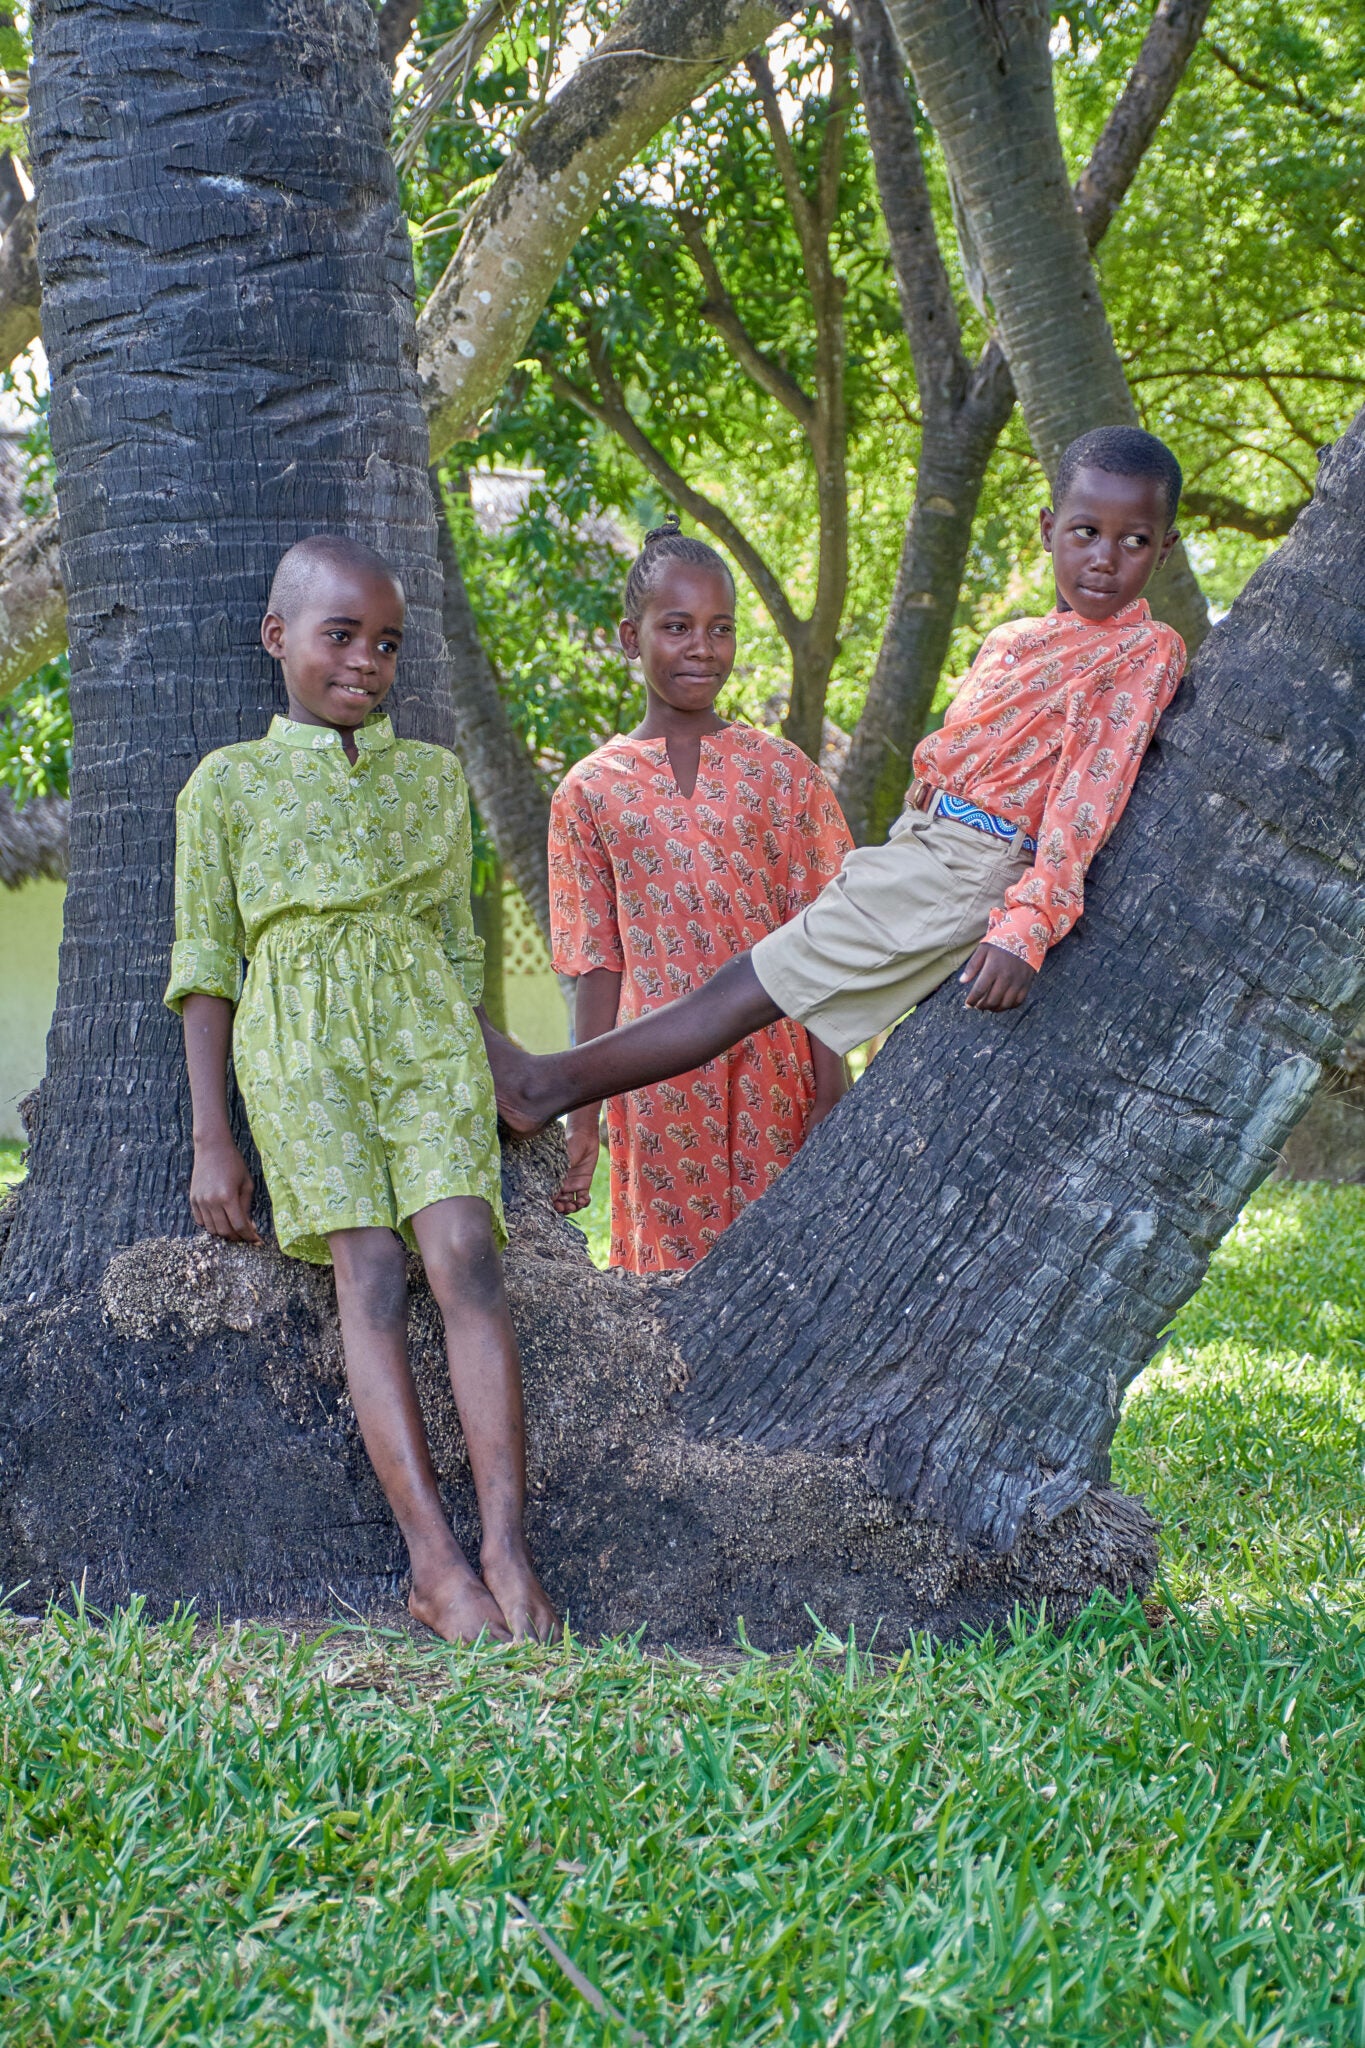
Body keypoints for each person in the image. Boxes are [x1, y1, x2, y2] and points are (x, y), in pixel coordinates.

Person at [486, 425, 1188, 1133]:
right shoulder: (1015, 640)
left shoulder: (1142, 649)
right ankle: (549, 1085)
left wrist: (1027, 925)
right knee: (754, 983)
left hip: (974, 865)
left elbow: (1086, 796)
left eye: (1133, 541)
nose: (1104, 558)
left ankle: (542, 1087)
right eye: (1085, 532)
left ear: (1164, 550)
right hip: (924, 841)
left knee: (747, 987)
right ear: (1046, 529)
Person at [164, 534, 559, 1647]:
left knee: (466, 1253)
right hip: (299, 1044)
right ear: (277, 636)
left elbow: (456, 947)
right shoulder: (225, 785)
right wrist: (211, 1138)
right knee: (372, 1270)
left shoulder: (434, 778)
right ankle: (434, 1563)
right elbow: (205, 964)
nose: (365, 662)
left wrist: (500, 1066)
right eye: (340, 635)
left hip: (425, 1031)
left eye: (386, 644)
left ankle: (506, 1546)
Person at [548, 515, 853, 1271]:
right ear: (631, 637)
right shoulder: (589, 790)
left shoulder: (783, 772)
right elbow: (596, 965)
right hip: (655, 1080)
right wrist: (582, 1120)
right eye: (677, 627)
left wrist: (830, 1082)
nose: (701, 648)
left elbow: (825, 937)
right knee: (672, 1289)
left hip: (775, 1068)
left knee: (784, 1277)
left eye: (720, 629)